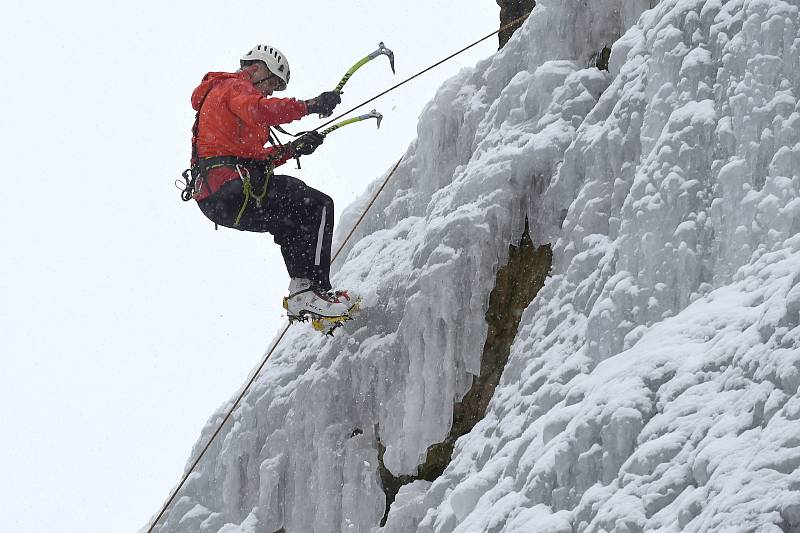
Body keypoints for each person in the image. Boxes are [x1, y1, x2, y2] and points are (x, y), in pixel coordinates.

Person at [188, 44, 356, 326]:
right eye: (271, 83)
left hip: (219, 198)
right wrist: (310, 106)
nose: (270, 92)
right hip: (228, 189)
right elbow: (260, 109)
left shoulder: (226, 104)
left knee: (291, 219)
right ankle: (317, 290)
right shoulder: (233, 86)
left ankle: (303, 291)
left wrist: (294, 148)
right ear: (257, 69)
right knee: (318, 204)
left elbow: (254, 159)